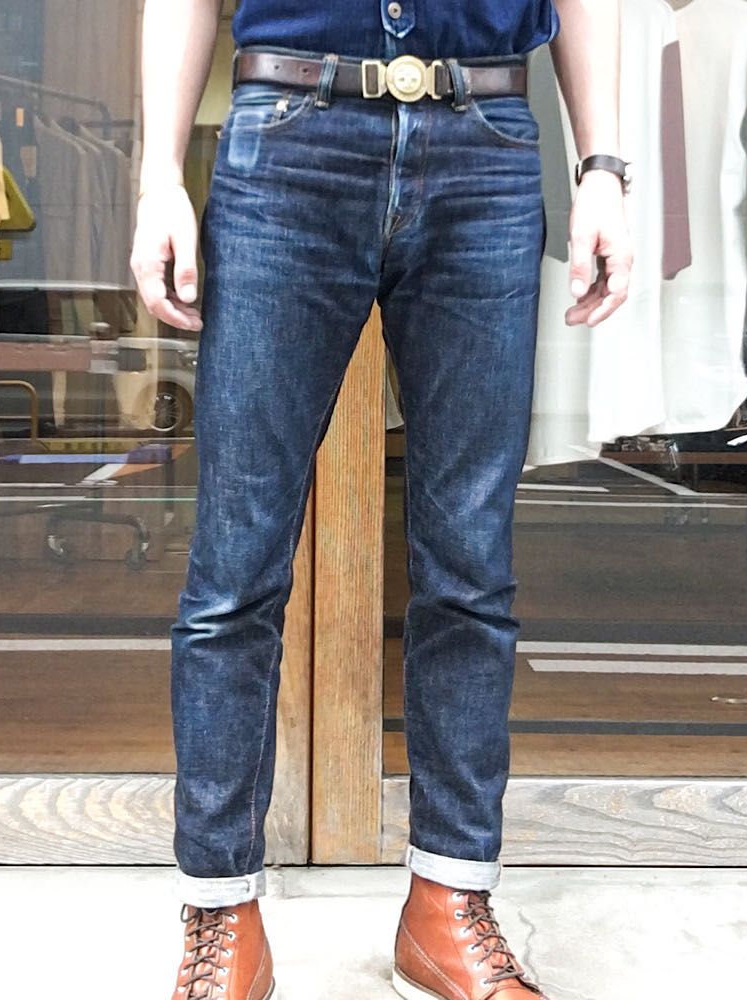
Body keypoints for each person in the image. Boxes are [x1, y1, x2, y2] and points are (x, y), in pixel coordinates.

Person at [130, 2, 632, 997]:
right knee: (234, 568)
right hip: (288, 142)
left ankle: (447, 902)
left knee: (470, 567)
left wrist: (603, 167)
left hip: (484, 145)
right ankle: (221, 913)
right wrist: (157, 178)